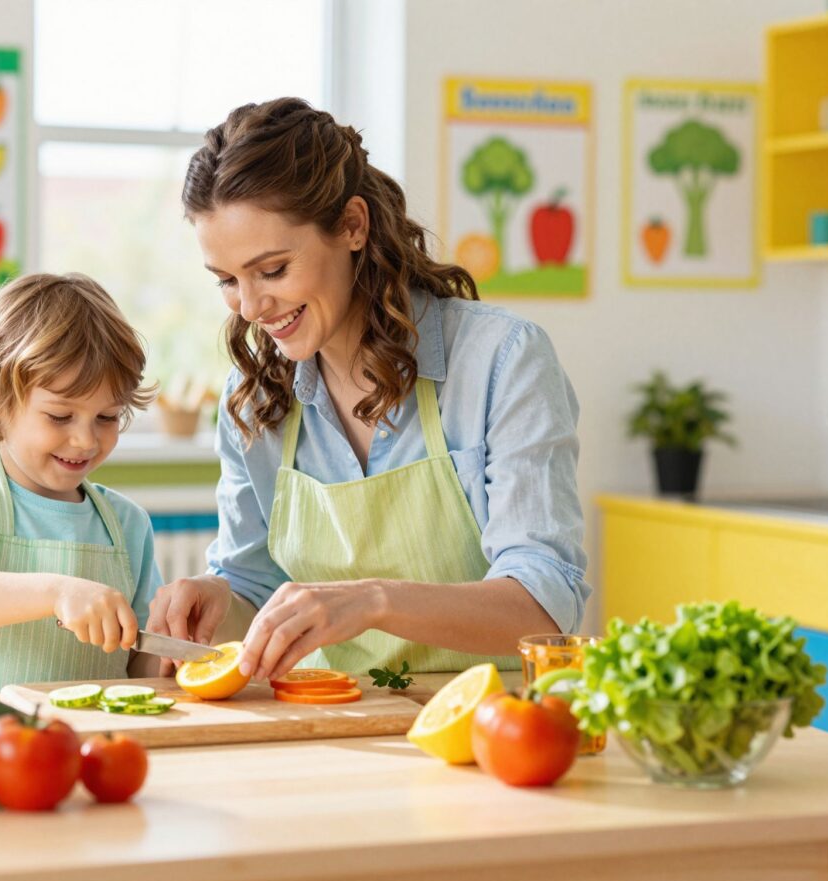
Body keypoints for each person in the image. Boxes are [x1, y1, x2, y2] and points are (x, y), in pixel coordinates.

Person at [147, 97, 591, 684]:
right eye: (228, 280)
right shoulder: (254, 398)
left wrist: (374, 601)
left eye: (274, 270)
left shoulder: (500, 360)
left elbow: (545, 605)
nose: (252, 307)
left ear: (353, 225)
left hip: (493, 732)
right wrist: (214, 600)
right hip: (335, 726)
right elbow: (255, 583)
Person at [0, 273, 162, 693]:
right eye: (59, 416)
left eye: (107, 417)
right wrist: (56, 591)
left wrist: (177, 657)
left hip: (89, 748)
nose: (86, 440)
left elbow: (140, 663)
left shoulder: (128, 524)